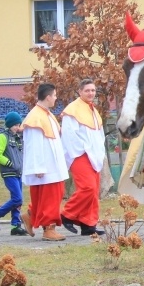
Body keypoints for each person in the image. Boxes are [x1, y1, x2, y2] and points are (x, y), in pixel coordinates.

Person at [21, 83, 69, 241]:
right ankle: (48, 229)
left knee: (50, 196)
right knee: (50, 197)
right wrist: (38, 167)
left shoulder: (47, 115)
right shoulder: (36, 117)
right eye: (54, 95)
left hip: (52, 166)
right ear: (48, 97)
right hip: (46, 168)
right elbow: (34, 145)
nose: (56, 98)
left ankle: (31, 216)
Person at [59, 79, 106, 236]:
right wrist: (83, 151)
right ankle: (67, 215)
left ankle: (88, 224)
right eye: (87, 90)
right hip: (80, 154)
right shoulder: (72, 110)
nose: (91, 93)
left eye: (93, 90)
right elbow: (69, 136)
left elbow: (98, 134)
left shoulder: (93, 110)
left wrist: (98, 152)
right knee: (88, 187)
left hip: (94, 155)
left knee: (94, 191)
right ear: (79, 91)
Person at [0, 112, 27, 235]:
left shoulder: (18, 137)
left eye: (18, 124)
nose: (17, 127)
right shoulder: (3, 136)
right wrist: (9, 163)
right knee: (17, 198)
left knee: (18, 200)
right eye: (15, 125)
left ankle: (15, 226)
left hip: (18, 172)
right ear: (9, 125)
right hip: (9, 172)